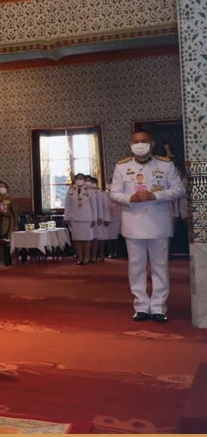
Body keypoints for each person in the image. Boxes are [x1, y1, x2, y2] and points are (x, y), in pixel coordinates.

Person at [110, 131, 186, 323]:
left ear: (152, 144)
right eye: (136, 142)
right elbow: (114, 193)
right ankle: (141, 306)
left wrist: (157, 196)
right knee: (136, 267)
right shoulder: (122, 166)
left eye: (144, 141)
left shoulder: (165, 164)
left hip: (158, 223)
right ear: (130, 144)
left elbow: (179, 190)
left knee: (160, 266)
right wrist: (130, 198)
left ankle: (159, 306)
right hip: (133, 224)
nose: (139, 144)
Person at [64, 173, 96, 265]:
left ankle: (87, 257)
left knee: (86, 239)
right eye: (77, 178)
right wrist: (67, 217)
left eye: (81, 178)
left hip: (87, 218)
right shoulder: (71, 190)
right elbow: (67, 205)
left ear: (84, 180)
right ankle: (80, 257)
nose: (79, 180)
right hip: (74, 218)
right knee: (76, 239)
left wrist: (94, 218)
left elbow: (94, 205)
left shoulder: (89, 190)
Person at [88, 175, 109, 262]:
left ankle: (100, 254)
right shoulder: (85, 193)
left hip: (100, 218)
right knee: (91, 238)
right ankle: (91, 255)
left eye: (92, 182)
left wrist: (105, 218)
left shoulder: (102, 193)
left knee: (100, 237)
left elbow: (105, 206)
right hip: (89, 217)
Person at [105, 177, 123, 259]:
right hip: (107, 217)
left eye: (111, 183)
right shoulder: (104, 193)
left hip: (117, 216)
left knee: (115, 236)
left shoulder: (119, 193)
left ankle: (116, 251)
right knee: (108, 236)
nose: (110, 184)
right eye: (109, 183)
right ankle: (110, 252)